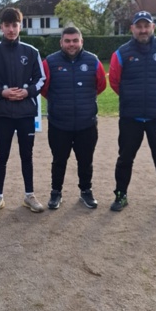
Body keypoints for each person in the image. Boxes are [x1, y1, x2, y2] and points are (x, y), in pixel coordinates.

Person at [109, 10, 156, 212]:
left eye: (146, 26)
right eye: (139, 26)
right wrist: (131, 98)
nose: (143, 30)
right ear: (132, 28)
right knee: (125, 158)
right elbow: (115, 82)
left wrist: (155, 96)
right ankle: (120, 194)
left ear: (153, 27)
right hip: (130, 116)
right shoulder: (121, 53)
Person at [0, 6, 45, 215]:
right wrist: (2, 92)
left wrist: (27, 93)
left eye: (14, 25)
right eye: (7, 25)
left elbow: (41, 79)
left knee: (26, 155)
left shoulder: (31, 52)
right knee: (2, 156)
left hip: (26, 113)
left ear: (20, 26)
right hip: (3, 114)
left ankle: (29, 195)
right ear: (2, 27)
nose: (11, 29)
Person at [41, 25, 107, 209]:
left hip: (86, 124)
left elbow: (101, 85)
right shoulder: (50, 62)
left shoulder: (93, 61)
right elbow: (44, 89)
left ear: (81, 41)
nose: (72, 44)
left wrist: (84, 103)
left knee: (86, 161)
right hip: (59, 124)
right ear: (61, 42)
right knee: (59, 160)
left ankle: (86, 191)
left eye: (75, 40)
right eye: (67, 41)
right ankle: (56, 193)